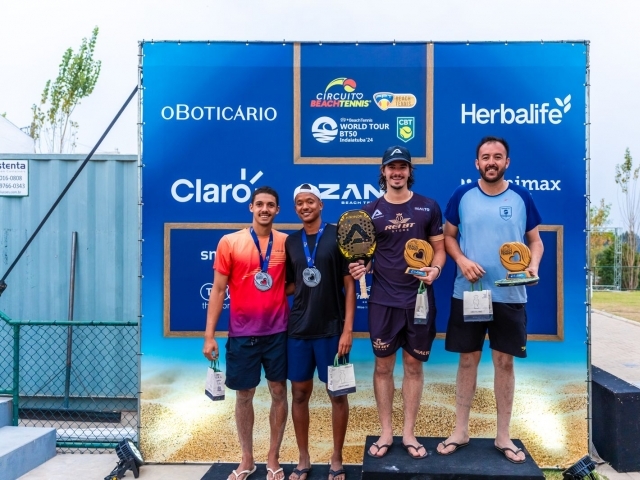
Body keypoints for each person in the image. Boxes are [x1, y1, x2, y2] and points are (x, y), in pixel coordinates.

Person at [437, 136, 543, 464]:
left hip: (510, 294)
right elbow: (448, 237)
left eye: (498, 157)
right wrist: (462, 261)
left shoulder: (522, 196)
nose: (491, 162)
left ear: (507, 162)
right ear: (477, 163)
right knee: (467, 360)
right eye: (485, 157)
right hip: (469, 293)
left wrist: (533, 265)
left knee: (504, 362)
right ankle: (460, 430)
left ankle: (503, 436)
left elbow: (535, 242)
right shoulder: (462, 196)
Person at [349, 146, 446, 460]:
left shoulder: (428, 207)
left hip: (418, 300)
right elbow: (362, 258)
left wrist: (436, 269)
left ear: (409, 172)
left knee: (414, 368)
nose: (397, 172)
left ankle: (409, 433)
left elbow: (439, 250)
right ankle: (387, 432)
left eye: (402, 167)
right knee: (382, 368)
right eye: (392, 167)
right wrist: (359, 266)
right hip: (382, 302)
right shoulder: (369, 211)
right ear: (383, 172)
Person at [203, 186, 289, 480]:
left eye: (271, 205)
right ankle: (247, 459)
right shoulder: (230, 242)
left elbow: (293, 284)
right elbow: (217, 290)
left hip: (278, 332)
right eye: (260, 204)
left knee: (279, 392)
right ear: (251, 207)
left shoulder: (287, 244)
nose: (265, 209)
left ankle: (273, 459)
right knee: (244, 396)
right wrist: (209, 335)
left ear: (278, 210)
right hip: (241, 335)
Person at [284, 184, 356, 480]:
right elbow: (290, 284)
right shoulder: (290, 242)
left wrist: (348, 329)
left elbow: (350, 284)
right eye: (299, 202)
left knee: (337, 395)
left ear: (321, 204)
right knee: (299, 395)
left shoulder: (338, 234)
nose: (304, 206)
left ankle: (336, 457)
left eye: (310, 201)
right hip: (299, 330)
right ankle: (303, 458)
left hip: (332, 330)